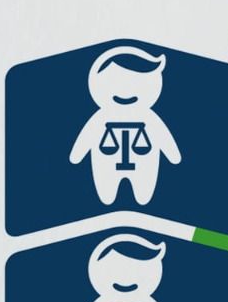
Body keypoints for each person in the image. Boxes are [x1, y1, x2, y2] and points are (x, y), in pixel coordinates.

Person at [69, 45, 180, 205]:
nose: (126, 91)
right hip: (107, 162)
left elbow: (162, 136)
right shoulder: (101, 117)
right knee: (106, 196)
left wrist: (173, 155)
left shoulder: (149, 117)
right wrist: (77, 155)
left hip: (143, 162)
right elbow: (87, 136)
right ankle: (108, 197)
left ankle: (142, 197)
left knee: (144, 196)